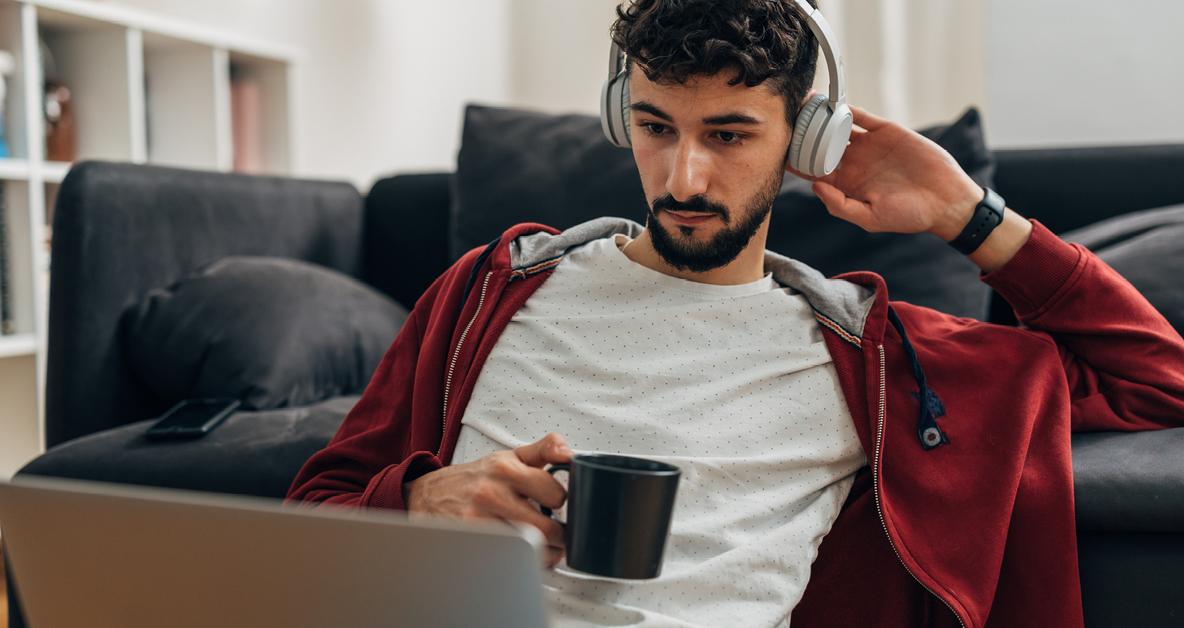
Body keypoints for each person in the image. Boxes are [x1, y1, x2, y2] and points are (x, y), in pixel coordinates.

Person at [286, 1, 1184, 626]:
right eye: (655, 127)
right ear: (617, 117)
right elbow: (308, 514)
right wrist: (411, 501)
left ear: (803, 137)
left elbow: (1157, 379)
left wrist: (967, 213)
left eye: (728, 135)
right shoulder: (491, 288)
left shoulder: (868, 353)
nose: (683, 179)